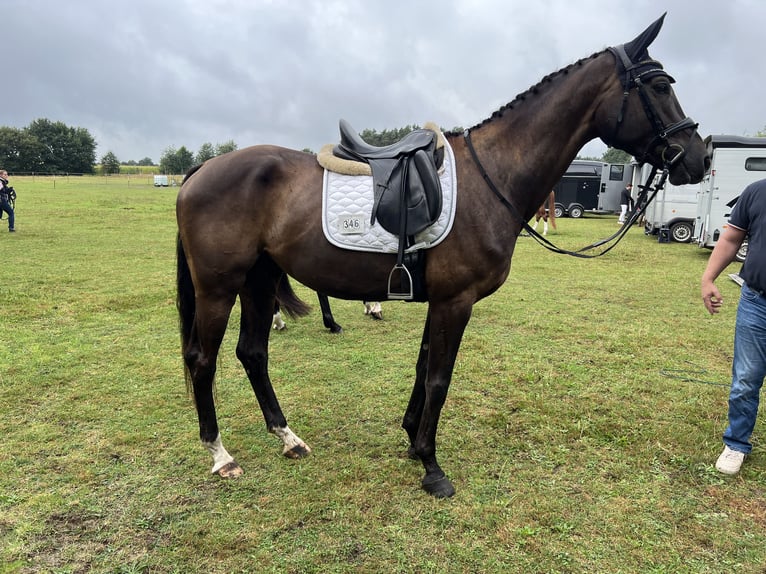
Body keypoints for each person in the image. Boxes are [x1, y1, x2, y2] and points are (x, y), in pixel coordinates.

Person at [701, 178, 766, 475]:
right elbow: (730, 239)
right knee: (745, 379)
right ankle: (736, 444)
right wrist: (708, 278)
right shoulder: (756, 191)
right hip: (757, 301)